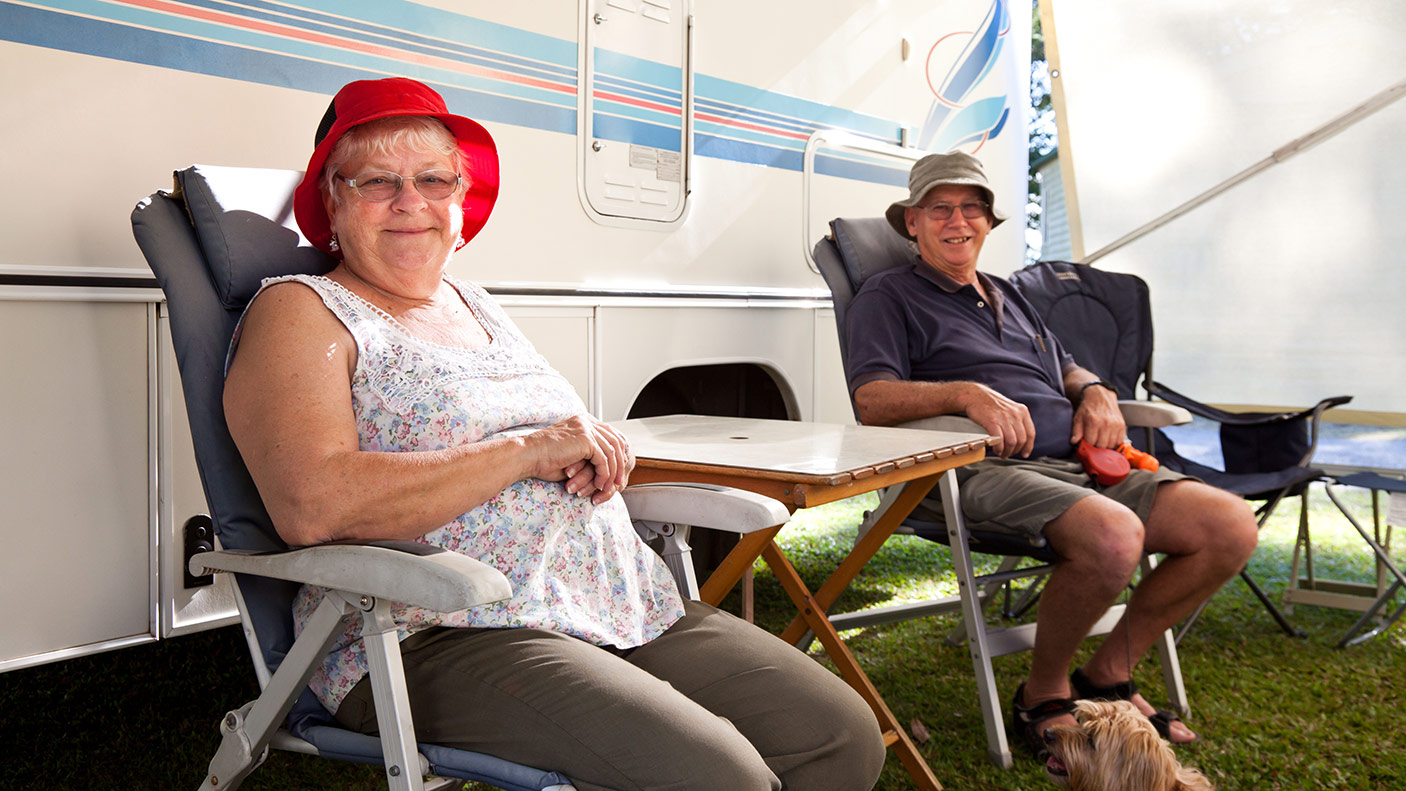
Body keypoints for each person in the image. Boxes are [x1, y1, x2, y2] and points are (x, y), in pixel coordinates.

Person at [222, 77, 885, 791]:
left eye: (433, 178)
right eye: (378, 181)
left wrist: (596, 446)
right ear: (333, 199)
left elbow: (536, 426)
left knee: (838, 740)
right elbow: (313, 505)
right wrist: (524, 452)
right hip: (438, 628)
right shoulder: (304, 312)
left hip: (605, 599)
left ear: (459, 197)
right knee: (720, 778)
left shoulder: (472, 301)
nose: (410, 201)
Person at [844, 152, 1259, 756]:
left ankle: (1108, 676)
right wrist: (966, 395)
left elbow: (1064, 364)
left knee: (1230, 526)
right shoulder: (889, 296)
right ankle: (1043, 695)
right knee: (1116, 535)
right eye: (940, 209)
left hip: (1077, 464)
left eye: (971, 208)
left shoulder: (1009, 294)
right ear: (912, 222)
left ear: (989, 222)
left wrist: (1094, 390)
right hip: (970, 471)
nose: (957, 221)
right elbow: (872, 399)